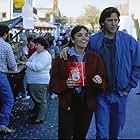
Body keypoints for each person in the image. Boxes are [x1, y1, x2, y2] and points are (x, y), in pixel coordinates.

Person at [59, 7, 140, 139]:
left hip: (121, 93)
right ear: (102, 22)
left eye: (116, 20)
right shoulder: (94, 40)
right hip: (101, 93)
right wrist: (67, 48)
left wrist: (129, 86)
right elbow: (80, 48)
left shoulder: (129, 41)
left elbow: (138, 65)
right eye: (110, 20)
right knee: (102, 133)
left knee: (115, 131)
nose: (114, 23)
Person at [49, 25, 106, 139]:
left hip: (86, 103)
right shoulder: (62, 58)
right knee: (65, 135)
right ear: (73, 39)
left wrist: (99, 81)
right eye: (79, 35)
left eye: (86, 35)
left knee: (80, 136)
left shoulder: (95, 58)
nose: (84, 38)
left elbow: (104, 83)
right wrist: (65, 84)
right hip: (67, 103)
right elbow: (52, 84)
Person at [18, 37, 52, 124]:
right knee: (36, 99)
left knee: (40, 100)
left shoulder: (45, 55)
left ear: (43, 45)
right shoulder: (37, 53)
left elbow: (38, 67)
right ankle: (37, 114)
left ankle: (40, 117)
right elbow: (30, 61)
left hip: (39, 81)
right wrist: (26, 60)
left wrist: (26, 63)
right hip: (34, 81)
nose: (35, 46)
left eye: (37, 45)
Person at [0, 24, 17, 133]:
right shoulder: (6, 46)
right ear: (5, 34)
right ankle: (3, 125)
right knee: (9, 100)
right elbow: (12, 65)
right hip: (1, 75)